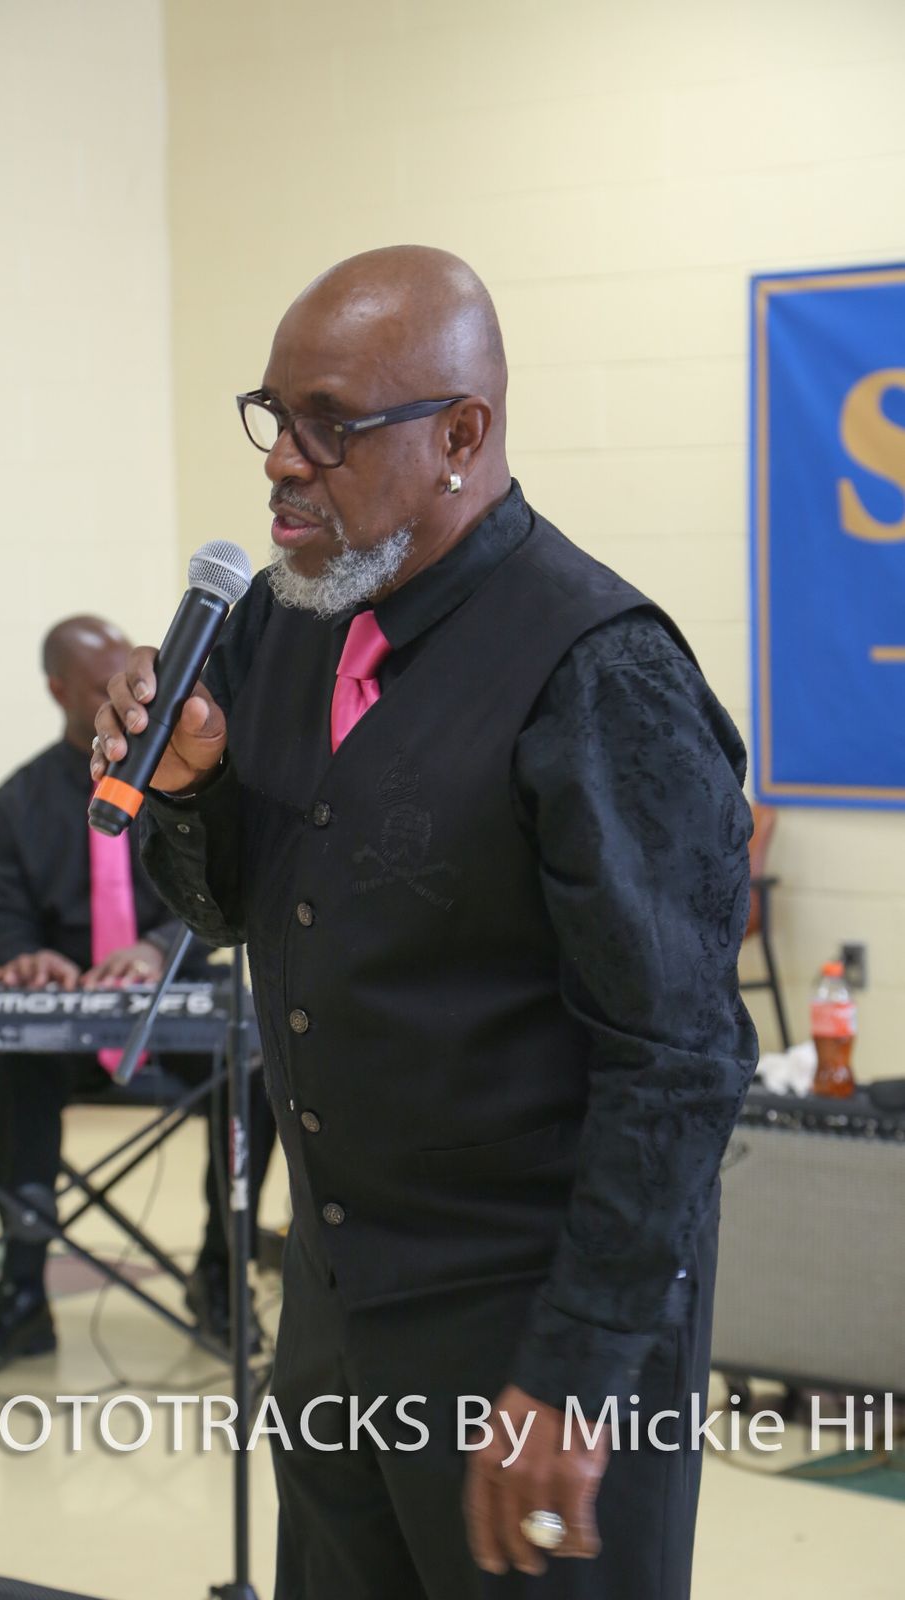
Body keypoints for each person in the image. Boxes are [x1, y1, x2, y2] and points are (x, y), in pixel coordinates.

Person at [94, 248, 758, 1600]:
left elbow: (677, 1063)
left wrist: (573, 1374)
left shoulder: (599, 671)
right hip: (338, 1311)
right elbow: (229, 910)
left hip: (531, 1328)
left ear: (460, 435)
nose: (282, 460)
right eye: (273, 414)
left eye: (328, 424)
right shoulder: (282, 620)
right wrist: (191, 790)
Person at [0, 615, 275, 1376]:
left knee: (253, 1068)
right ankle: (22, 1287)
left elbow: (220, 885)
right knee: (14, 1060)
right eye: (101, 688)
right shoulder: (14, 806)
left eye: (127, 685)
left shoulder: (178, 776)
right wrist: (25, 959)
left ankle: (220, 1272)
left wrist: (155, 948)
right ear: (58, 691)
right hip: (67, 1023)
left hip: (173, 1003)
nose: (125, 702)